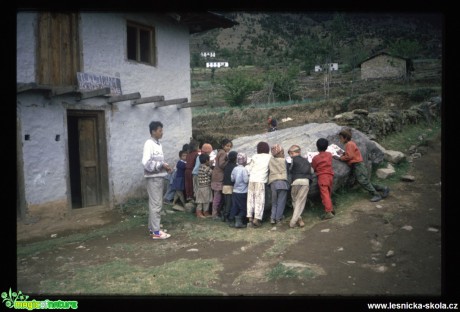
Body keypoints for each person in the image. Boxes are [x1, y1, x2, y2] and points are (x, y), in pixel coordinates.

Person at [334, 128, 390, 202]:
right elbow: (350, 154)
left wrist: (341, 158)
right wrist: (344, 154)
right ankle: (383, 188)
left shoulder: (349, 144)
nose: (340, 140)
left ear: (345, 138)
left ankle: (376, 194)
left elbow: (350, 156)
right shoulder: (351, 143)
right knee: (364, 181)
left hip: (358, 165)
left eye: (341, 138)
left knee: (363, 181)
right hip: (357, 165)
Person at [142, 121, 172, 239]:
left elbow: (157, 162)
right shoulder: (149, 144)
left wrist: (164, 165)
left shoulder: (158, 144)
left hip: (158, 178)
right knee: (156, 205)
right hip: (153, 179)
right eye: (160, 130)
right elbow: (146, 163)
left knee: (155, 203)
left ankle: (153, 228)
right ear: (153, 131)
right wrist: (161, 165)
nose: (162, 132)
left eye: (162, 130)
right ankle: (156, 232)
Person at [246, 141, 272, 227]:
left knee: (250, 199)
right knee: (259, 200)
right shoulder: (269, 157)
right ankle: (256, 219)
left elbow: (249, 169)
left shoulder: (254, 156)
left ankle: (249, 218)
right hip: (260, 180)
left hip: (251, 179)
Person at [287, 144, 312, 228]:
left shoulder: (294, 160)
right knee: (300, 202)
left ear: (294, 153)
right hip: (305, 182)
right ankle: (297, 220)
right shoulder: (307, 161)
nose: (290, 155)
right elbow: (311, 170)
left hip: (296, 181)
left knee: (295, 201)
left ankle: (295, 221)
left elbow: (290, 170)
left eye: (291, 153)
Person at [311, 138, 335, 220]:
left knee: (325, 195)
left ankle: (328, 212)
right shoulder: (329, 154)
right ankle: (331, 209)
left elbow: (314, 167)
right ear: (327, 147)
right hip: (330, 176)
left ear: (317, 147)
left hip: (322, 177)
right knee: (328, 193)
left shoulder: (315, 158)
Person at [211, 138, 233, 220]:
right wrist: (229, 162)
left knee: (217, 196)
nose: (229, 148)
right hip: (219, 177)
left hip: (216, 176)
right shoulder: (223, 153)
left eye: (230, 146)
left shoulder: (220, 152)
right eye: (227, 146)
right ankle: (215, 214)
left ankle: (216, 213)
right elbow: (221, 165)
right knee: (217, 197)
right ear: (223, 145)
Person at [268, 144, 289, 225]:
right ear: (279, 153)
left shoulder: (270, 160)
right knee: (281, 201)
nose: (284, 154)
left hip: (273, 183)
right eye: (282, 152)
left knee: (274, 202)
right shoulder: (284, 160)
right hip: (282, 182)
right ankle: (278, 218)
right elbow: (287, 170)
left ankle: (272, 218)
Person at [229, 152, 249, 228]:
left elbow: (232, 179)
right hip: (242, 192)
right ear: (244, 160)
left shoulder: (235, 168)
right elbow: (246, 180)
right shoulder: (244, 170)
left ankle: (231, 220)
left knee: (235, 206)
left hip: (235, 191)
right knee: (244, 208)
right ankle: (239, 221)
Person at [193, 143, 213, 216]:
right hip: (205, 186)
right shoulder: (206, 168)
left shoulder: (201, 167)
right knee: (206, 200)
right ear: (207, 161)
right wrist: (211, 166)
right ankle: (204, 212)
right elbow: (211, 173)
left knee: (200, 200)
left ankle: (200, 212)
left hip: (200, 186)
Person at [222, 150, 238, 222]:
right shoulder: (235, 167)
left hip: (225, 186)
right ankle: (227, 216)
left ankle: (224, 215)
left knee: (225, 202)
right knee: (229, 203)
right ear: (235, 158)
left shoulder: (227, 165)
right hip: (230, 186)